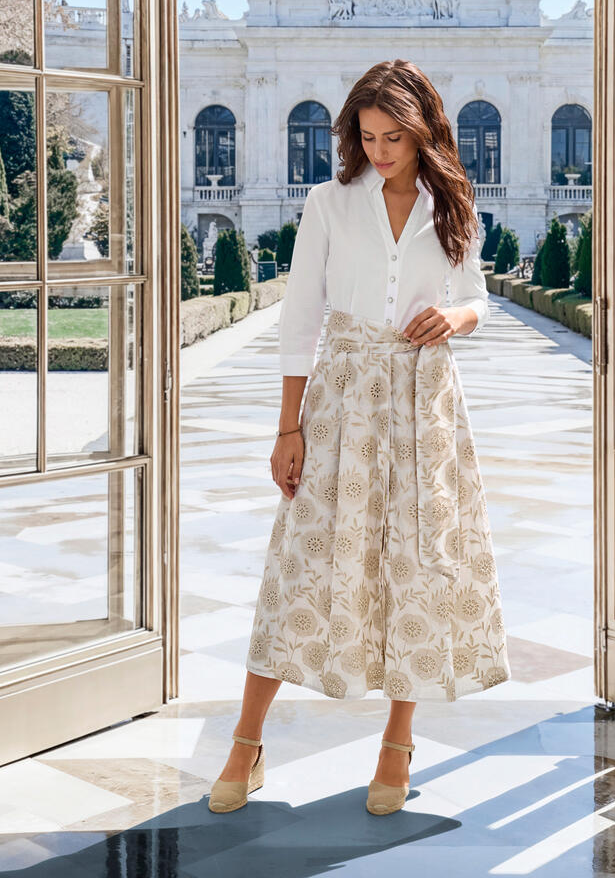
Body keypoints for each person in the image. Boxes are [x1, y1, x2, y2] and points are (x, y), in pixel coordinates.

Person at [208, 59, 511, 817]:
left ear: (422, 132)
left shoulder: (453, 202)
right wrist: (288, 427)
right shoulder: (329, 203)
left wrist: (455, 319)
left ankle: (397, 742)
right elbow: (300, 318)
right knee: (301, 564)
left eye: (393, 137)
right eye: (367, 136)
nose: (379, 150)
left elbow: (475, 296)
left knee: (415, 562)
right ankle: (246, 744)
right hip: (340, 399)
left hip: (423, 399)